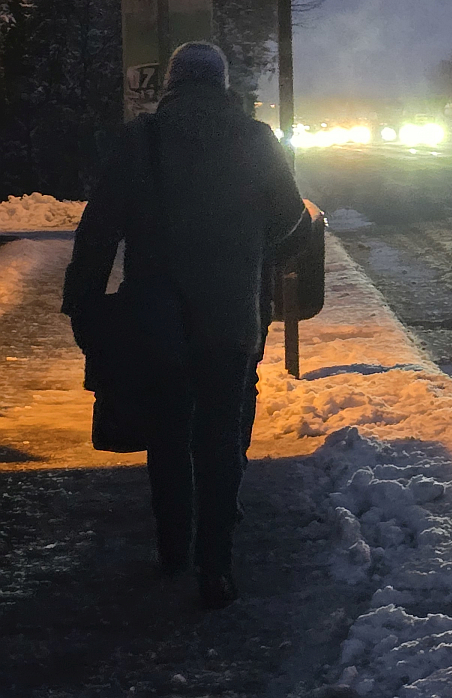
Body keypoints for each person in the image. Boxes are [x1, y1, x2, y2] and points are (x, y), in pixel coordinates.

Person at [62, 42, 306, 610]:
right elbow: (293, 225)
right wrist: (251, 252)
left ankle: (173, 546)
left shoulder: (140, 142)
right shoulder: (255, 141)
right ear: (222, 85)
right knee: (220, 439)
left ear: (170, 84)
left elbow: (98, 233)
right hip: (231, 316)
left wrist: (83, 308)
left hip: (157, 316)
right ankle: (215, 567)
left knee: (167, 433)